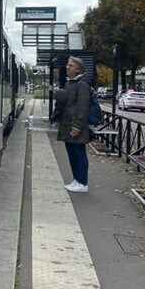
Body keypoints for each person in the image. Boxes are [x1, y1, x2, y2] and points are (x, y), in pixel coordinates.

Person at [50, 56, 91, 193]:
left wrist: (77, 127)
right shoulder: (70, 83)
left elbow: (82, 107)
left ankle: (82, 182)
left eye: (71, 66)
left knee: (79, 154)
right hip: (68, 124)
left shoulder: (83, 84)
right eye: (68, 65)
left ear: (78, 69)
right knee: (72, 153)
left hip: (75, 126)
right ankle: (76, 179)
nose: (67, 68)